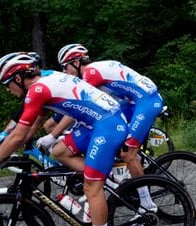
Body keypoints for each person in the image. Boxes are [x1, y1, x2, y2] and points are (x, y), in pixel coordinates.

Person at [0, 52, 128, 226]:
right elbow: (31, 125)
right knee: (60, 151)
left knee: (91, 187)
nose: (7, 89)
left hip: (107, 125)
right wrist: (37, 138)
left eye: (6, 84)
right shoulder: (45, 80)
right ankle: (102, 175)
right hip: (95, 122)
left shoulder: (38, 89)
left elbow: (18, 135)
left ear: (18, 78)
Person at [48, 43, 163, 193]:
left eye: (65, 67)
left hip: (145, 102)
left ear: (76, 63)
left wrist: (53, 134)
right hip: (133, 101)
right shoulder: (94, 69)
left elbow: (82, 105)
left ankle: (146, 204)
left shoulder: (90, 74)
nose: (65, 72)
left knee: (128, 153)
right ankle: (114, 171)